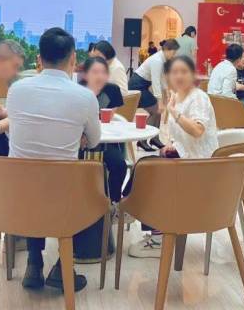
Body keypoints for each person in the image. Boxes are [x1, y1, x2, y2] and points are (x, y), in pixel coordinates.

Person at [7, 27, 101, 292]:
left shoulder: (16, 90)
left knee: (34, 174)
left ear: (39, 58)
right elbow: (94, 141)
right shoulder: (84, 97)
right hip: (62, 198)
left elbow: (18, 134)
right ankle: (63, 266)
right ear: (73, 58)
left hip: (15, 196)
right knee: (90, 184)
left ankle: (34, 262)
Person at [127, 55, 218, 257]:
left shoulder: (198, 98)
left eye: (184, 72)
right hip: (187, 157)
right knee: (144, 165)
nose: (178, 77)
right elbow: (184, 136)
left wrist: (174, 112)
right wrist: (172, 145)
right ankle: (129, 207)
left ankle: (157, 236)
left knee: (151, 175)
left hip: (200, 165)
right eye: (173, 72)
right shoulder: (179, 97)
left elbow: (197, 130)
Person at [80, 56, 127, 203]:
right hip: (81, 141)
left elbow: (111, 117)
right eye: (95, 72)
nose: (100, 76)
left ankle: (113, 202)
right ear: (86, 74)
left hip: (105, 140)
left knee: (119, 165)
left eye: (103, 72)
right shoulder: (77, 90)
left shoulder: (112, 90)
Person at [128, 39, 179, 150]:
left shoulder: (162, 59)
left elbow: (162, 78)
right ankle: (142, 140)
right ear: (168, 50)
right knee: (156, 110)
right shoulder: (157, 60)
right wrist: (160, 101)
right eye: (174, 53)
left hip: (142, 86)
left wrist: (166, 91)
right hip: (137, 86)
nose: (174, 56)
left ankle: (155, 138)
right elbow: (156, 82)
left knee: (158, 111)